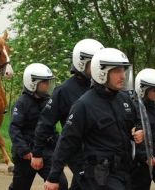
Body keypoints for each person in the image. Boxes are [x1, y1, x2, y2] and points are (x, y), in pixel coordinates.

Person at [45, 48, 144, 190]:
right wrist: (53, 177)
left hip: (123, 172)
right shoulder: (84, 105)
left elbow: (136, 122)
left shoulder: (125, 99)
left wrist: (139, 130)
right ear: (101, 72)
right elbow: (67, 141)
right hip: (99, 176)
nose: (122, 76)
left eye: (123, 70)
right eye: (117, 71)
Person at [32, 39, 104, 190]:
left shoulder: (101, 89)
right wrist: (37, 152)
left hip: (99, 150)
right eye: (95, 64)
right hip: (77, 152)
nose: (99, 68)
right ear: (81, 63)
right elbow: (45, 123)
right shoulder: (64, 91)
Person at [8, 63, 68, 190]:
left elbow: (51, 128)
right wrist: (24, 151)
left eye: (48, 82)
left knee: (60, 184)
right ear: (32, 82)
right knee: (20, 187)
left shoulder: (48, 102)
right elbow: (14, 129)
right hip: (26, 155)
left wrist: (59, 146)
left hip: (46, 151)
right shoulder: (21, 103)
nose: (47, 85)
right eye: (44, 82)